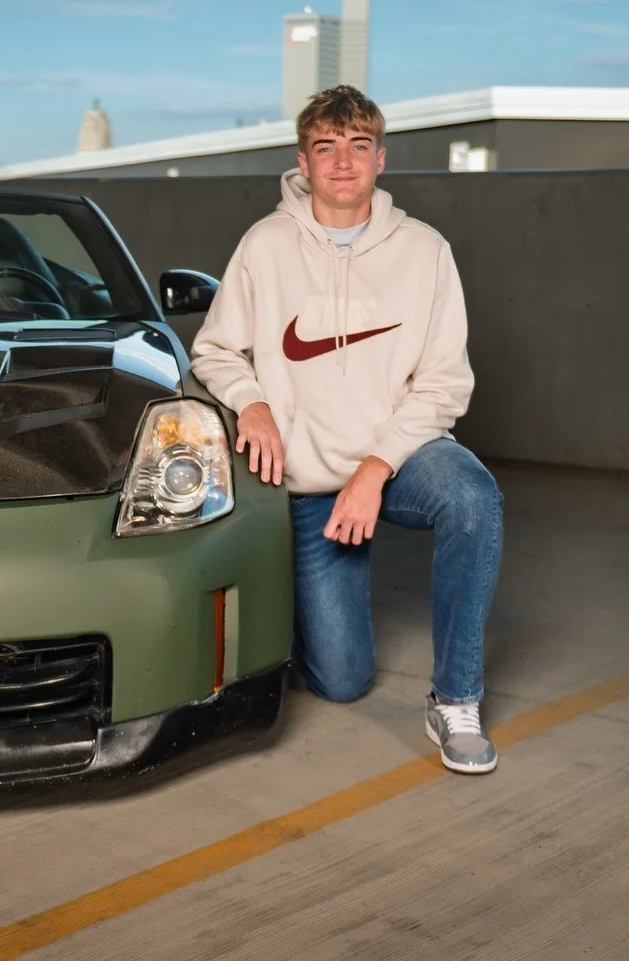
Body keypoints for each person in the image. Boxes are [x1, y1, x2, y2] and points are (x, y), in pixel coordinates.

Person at [190, 85, 504, 774]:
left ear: (380, 160)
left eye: (358, 147)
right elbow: (214, 349)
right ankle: (305, 614)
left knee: (473, 498)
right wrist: (253, 402)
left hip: (398, 461)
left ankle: (456, 699)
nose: (342, 162)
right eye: (326, 148)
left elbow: (445, 384)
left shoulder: (424, 251)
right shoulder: (266, 246)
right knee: (340, 681)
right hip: (309, 485)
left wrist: (374, 467)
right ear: (302, 162)